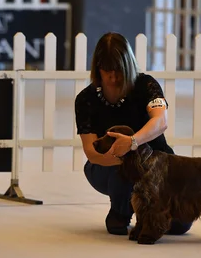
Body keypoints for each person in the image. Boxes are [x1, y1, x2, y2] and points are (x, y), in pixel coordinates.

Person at [74, 32, 192, 236]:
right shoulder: (85, 99)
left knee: (180, 226)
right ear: (97, 69)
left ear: (128, 65)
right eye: (106, 71)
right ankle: (121, 209)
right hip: (110, 167)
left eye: (118, 70)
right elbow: (91, 152)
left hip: (156, 162)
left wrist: (133, 143)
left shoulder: (147, 85)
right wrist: (126, 156)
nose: (113, 77)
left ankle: (149, 209)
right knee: (126, 171)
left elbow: (160, 121)